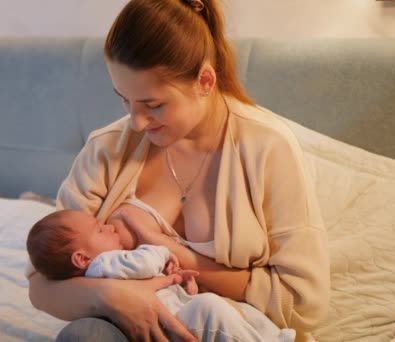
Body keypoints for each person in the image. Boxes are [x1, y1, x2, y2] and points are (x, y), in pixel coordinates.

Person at [27, 0, 330, 341]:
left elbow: (303, 303)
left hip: (224, 327)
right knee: (85, 336)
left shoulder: (267, 148)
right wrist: (112, 297)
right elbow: (41, 284)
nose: (136, 123)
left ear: (204, 80)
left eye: (153, 105)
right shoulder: (107, 149)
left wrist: (173, 254)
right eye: (124, 99)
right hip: (126, 325)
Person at [27, 208, 297, 342]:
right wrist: (159, 249)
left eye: (154, 105)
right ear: (81, 258)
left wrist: (182, 279)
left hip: (175, 315)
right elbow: (142, 264)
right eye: (100, 229)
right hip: (160, 325)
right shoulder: (103, 265)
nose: (110, 227)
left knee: (225, 309)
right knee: (210, 309)